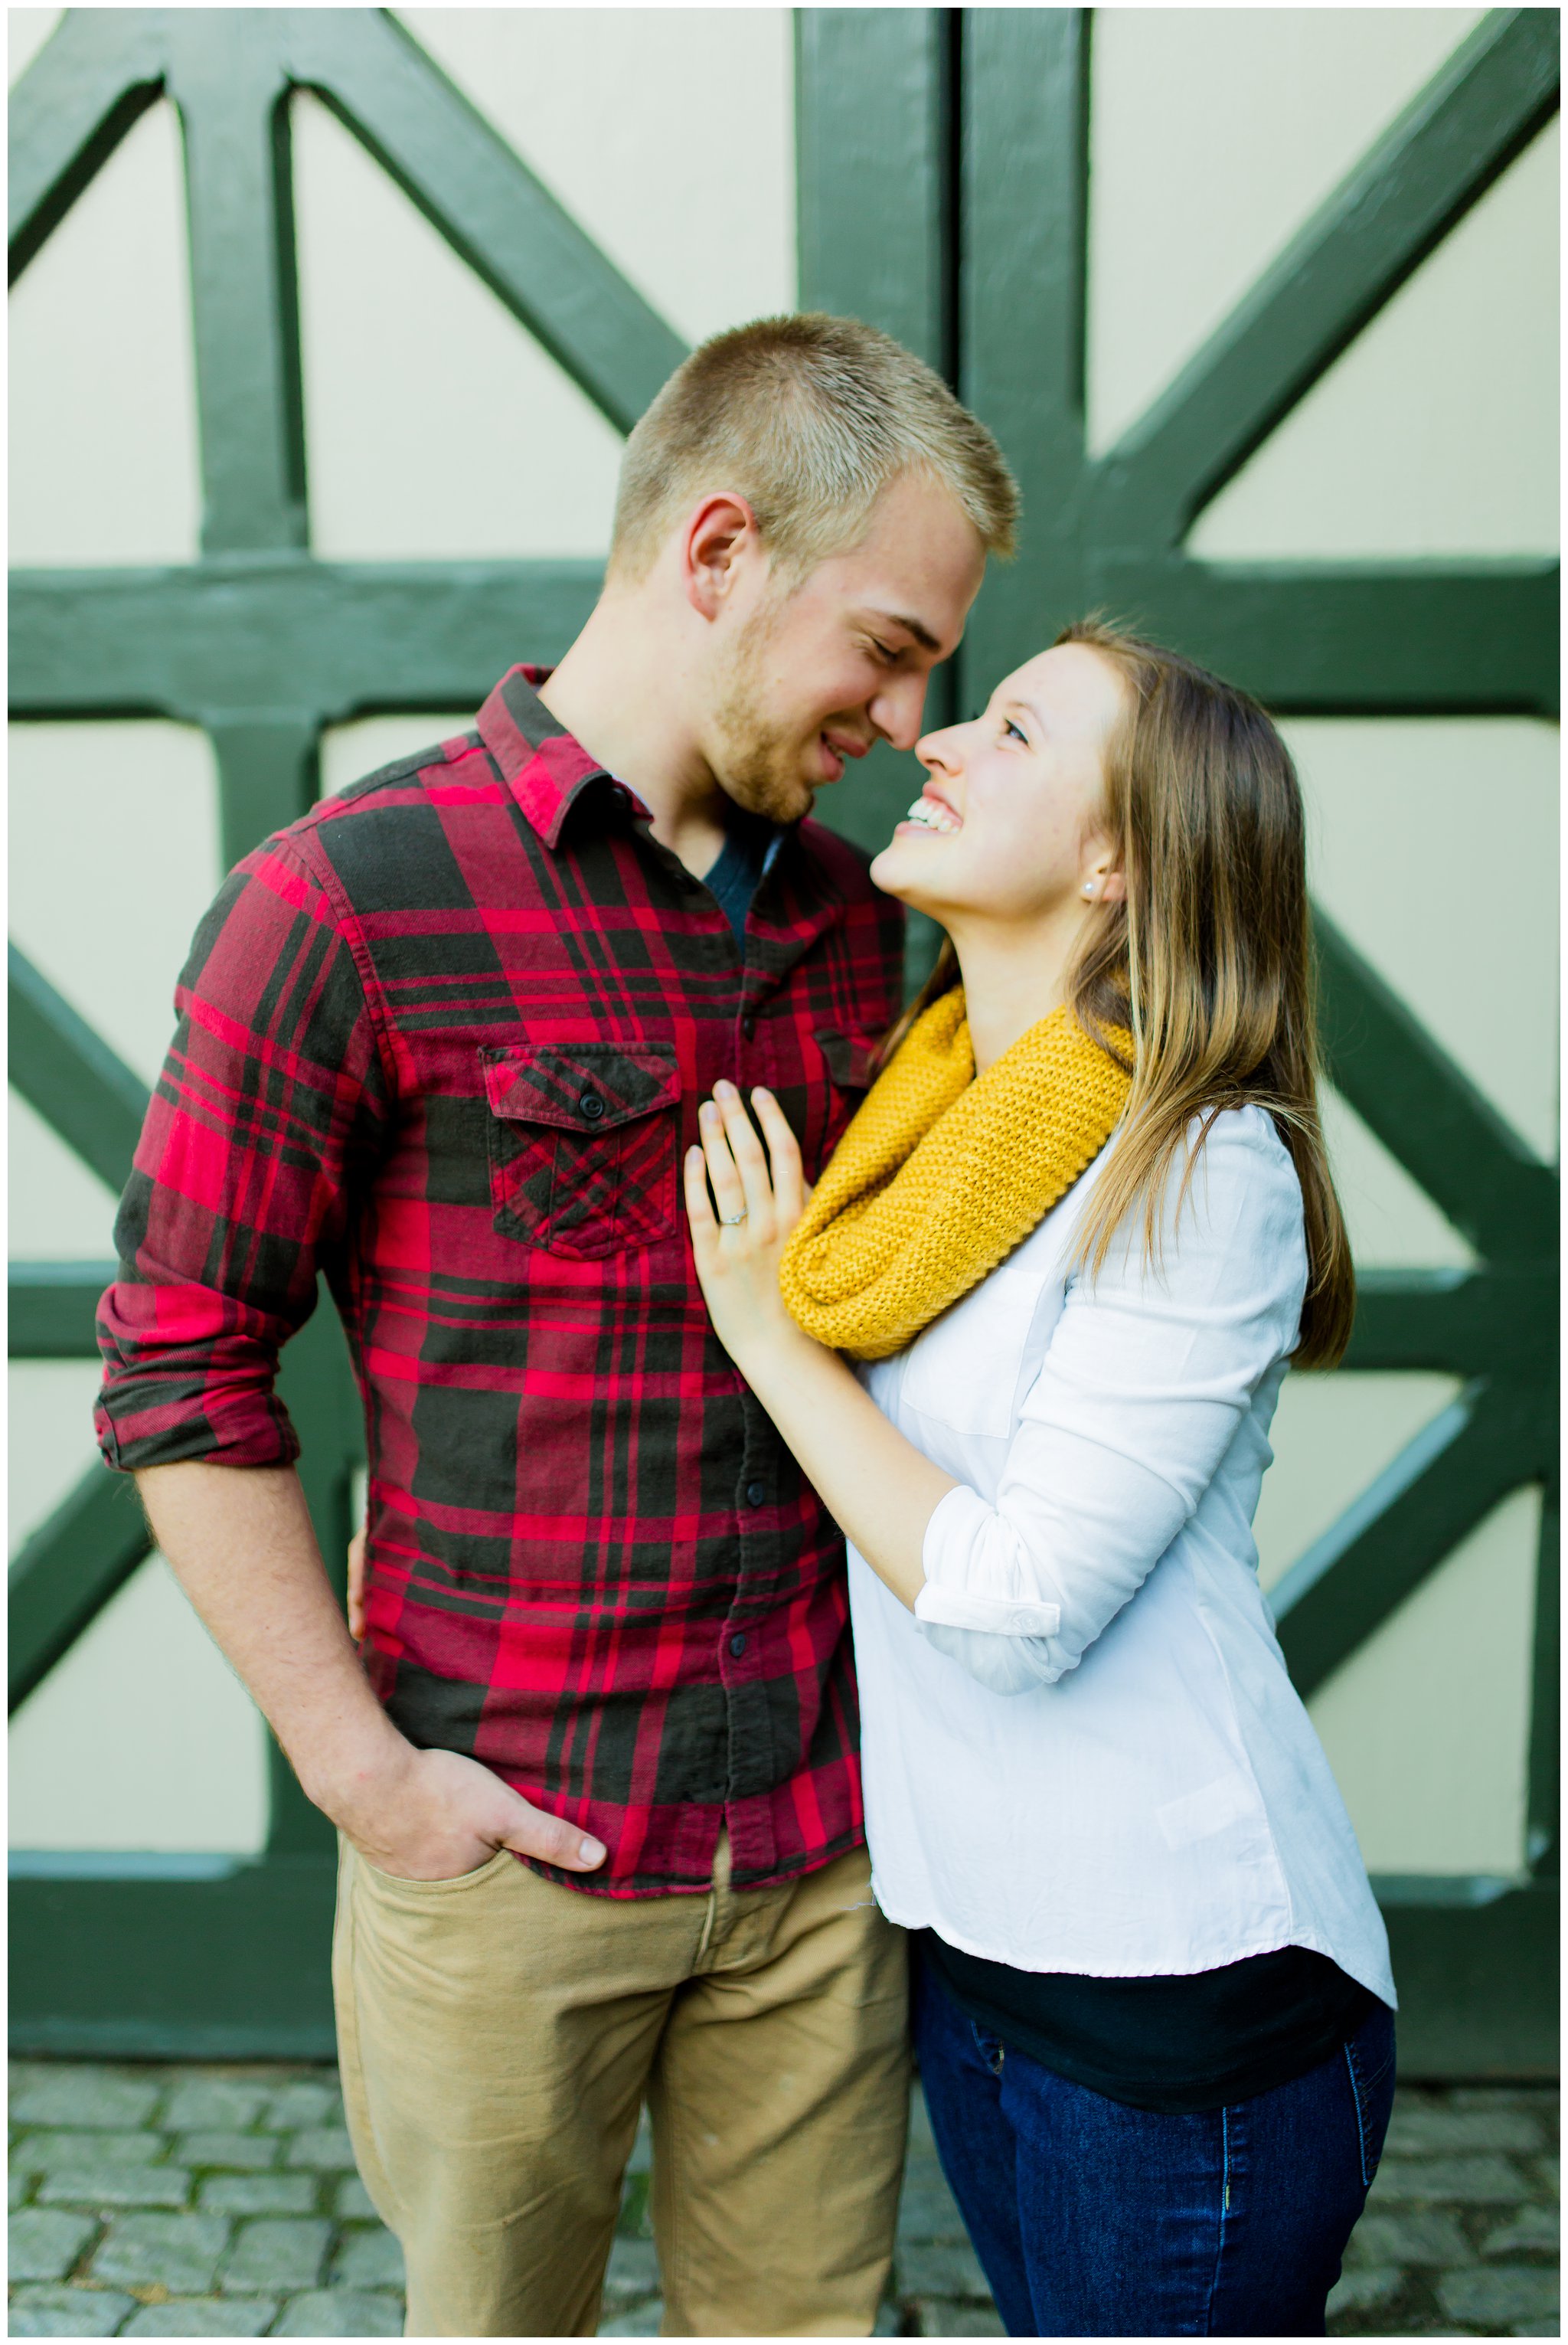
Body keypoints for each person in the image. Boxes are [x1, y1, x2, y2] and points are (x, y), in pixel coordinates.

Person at [93, 313, 1018, 2338]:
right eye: (884, 640)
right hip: (503, 1847)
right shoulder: (343, 904)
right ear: (716, 548)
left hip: (824, 1858)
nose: (909, 708)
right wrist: (370, 1779)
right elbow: (179, 1365)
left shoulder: (876, 937)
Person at [683, 619, 1397, 2340]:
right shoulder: (924, 1131)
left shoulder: (1205, 1163)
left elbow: (1012, 1604)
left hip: (1176, 2000)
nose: (937, 744)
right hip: (973, 1962)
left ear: (1115, 858)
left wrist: (772, 1338)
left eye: (1012, 730)